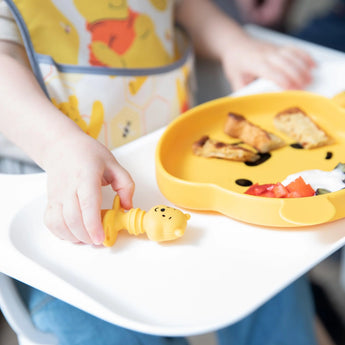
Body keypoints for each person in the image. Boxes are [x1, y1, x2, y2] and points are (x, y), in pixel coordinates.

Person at [0, 0, 317, 344]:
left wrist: (234, 44)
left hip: (180, 165)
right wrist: (58, 146)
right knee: (102, 324)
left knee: (272, 274)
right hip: (63, 193)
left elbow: (181, 6)